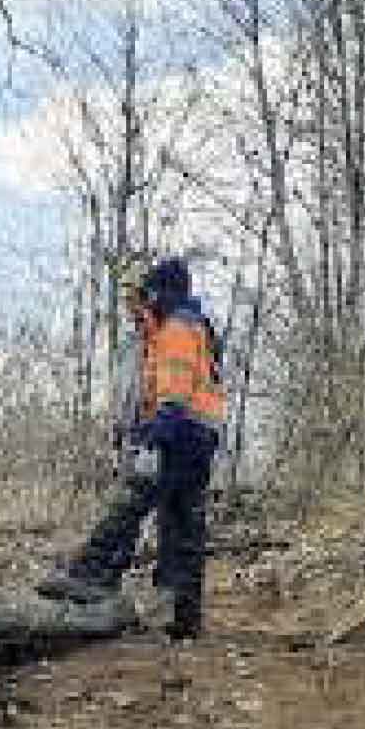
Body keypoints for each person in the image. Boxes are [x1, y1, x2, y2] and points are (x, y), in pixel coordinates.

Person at [38, 256, 224, 638]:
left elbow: (174, 389)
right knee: (183, 526)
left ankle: (92, 576)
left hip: (177, 433)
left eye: (148, 293)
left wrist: (153, 433)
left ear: (162, 293)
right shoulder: (194, 325)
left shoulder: (174, 329)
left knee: (130, 503)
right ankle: (183, 617)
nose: (143, 302)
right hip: (200, 437)